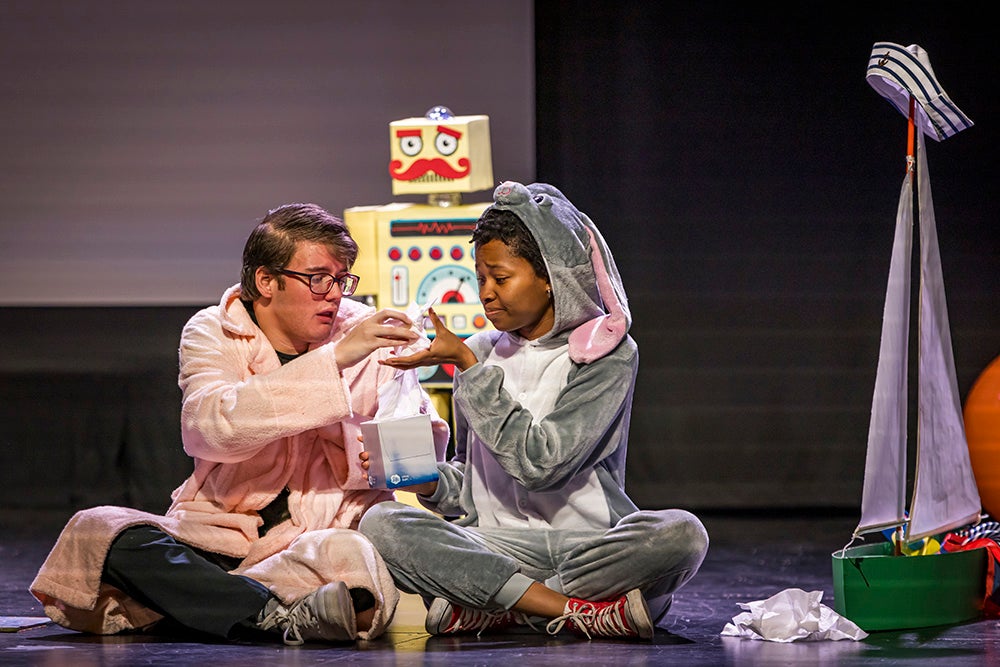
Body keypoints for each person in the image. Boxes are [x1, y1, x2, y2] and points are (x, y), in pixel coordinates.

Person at [30, 203, 450, 645]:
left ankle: (222, 607)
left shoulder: (366, 333)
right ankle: (270, 612)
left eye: (341, 279)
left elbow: (420, 458)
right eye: (318, 278)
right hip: (219, 534)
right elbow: (208, 429)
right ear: (266, 280)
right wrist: (333, 361)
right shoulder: (213, 330)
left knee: (351, 556)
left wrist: (386, 450)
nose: (333, 294)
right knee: (99, 529)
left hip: (322, 536)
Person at [358, 181, 709, 641]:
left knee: (681, 534)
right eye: (480, 279)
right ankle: (580, 611)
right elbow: (472, 482)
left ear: (550, 277)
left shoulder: (606, 354)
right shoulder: (479, 350)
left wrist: (469, 367)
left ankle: (497, 605)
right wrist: (426, 480)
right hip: (498, 546)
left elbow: (541, 465)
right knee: (382, 524)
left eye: (500, 278)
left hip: (586, 546)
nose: (486, 293)